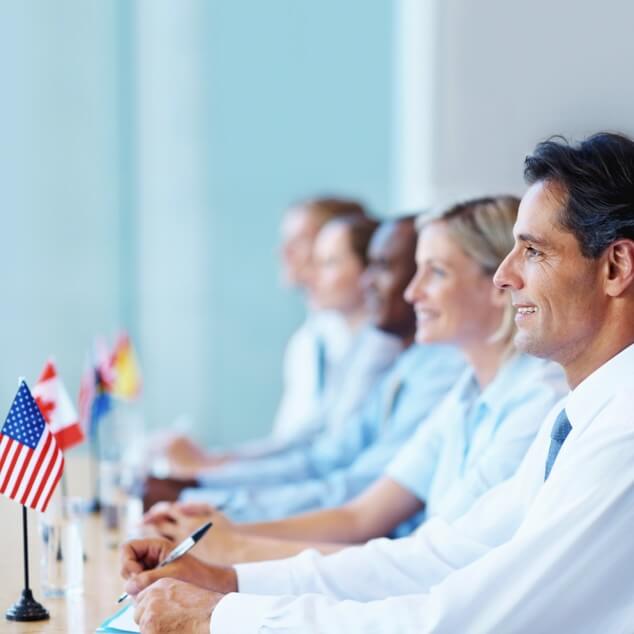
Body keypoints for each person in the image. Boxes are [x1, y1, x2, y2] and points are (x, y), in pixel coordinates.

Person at [121, 132, 634, 633]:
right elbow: (440, 557)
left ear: (616, 267)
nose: (505, 276)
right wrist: (227, 581)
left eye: (534, 252)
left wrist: (219, 615)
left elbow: (455, 621)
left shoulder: (621, 434)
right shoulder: (571, 420)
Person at [143, 196, 567, 566]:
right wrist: (226, 528)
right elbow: (361, 514)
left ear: (498, 284)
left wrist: (235, 544)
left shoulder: (534, 400)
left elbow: (428, 560)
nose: (411, 292)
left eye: (435, 272)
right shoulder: (465, 394)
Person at [170, 219, 466, 522]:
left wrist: (207, 499)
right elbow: (324, 457)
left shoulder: (439, 367)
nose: (368, 283)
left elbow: (356, 492)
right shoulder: (402, 357)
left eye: (328, 262)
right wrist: (200, 485)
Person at [158, 197, 367, 478]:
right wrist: (212, 463)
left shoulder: (371, 347)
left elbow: (324, 459)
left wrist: (210, 471)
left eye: (302, 241)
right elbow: (293, 442)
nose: (285, 253)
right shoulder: (309, 340)